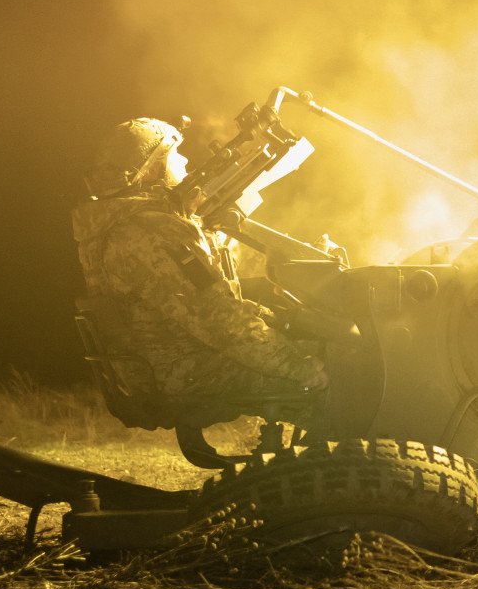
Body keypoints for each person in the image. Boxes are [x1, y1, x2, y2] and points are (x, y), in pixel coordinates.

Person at [71, 116, 326, 428]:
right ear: (151, 170)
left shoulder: (120, 222)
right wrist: (297, 366)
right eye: (175, 154)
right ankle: (340, 469)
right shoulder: (153, 230)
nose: (186, 160)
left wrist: (278, 320)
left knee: (306, 340)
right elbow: (218, 319)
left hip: (163, 361)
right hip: (186, 371)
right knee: (334, 359)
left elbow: (200, 302)